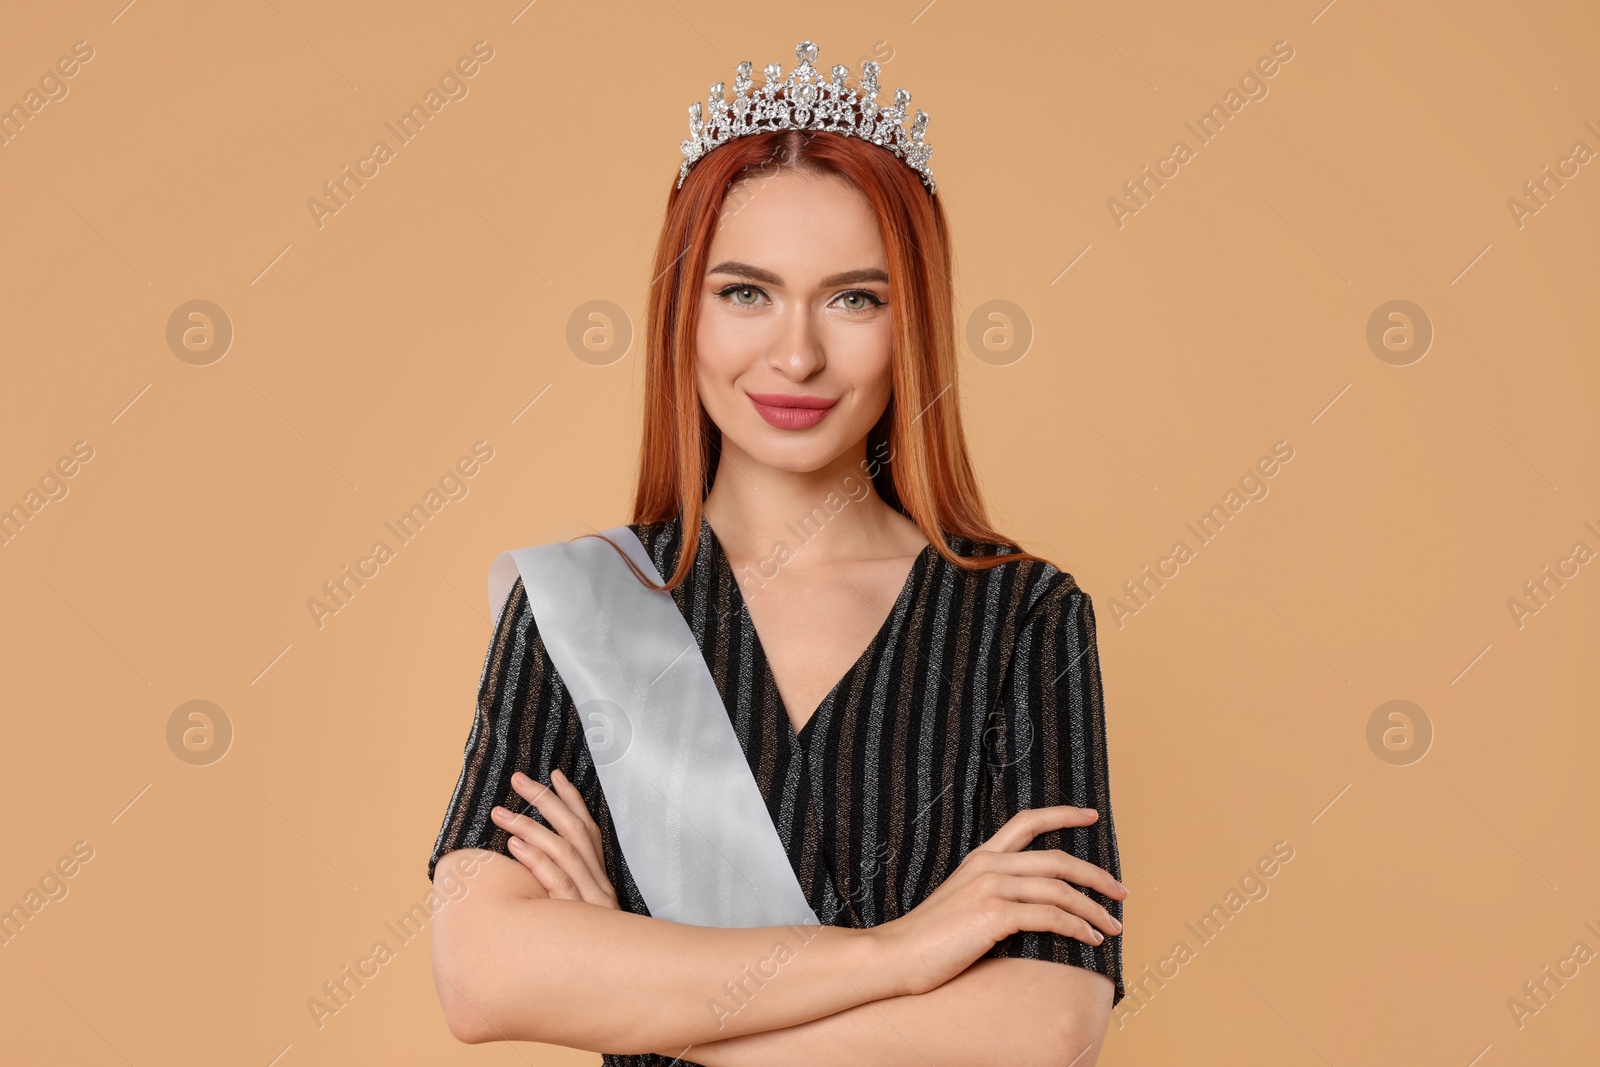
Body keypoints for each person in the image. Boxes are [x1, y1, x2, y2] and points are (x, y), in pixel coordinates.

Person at [426, 40, 1127, 1066]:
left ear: (912, 321)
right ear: (683, 308)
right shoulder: (581, 603)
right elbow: (483, 974)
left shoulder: (1021, 617)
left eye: (854, 297)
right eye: (745, 292)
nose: (795, 353)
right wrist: (901, 951)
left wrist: (642, 984)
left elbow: (1047, 1027)